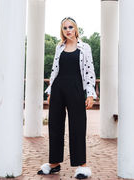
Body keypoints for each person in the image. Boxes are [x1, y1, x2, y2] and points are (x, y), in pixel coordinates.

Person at [37, 17, 97, 179]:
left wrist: (90, 93)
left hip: (76, 89)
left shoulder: (85, 48)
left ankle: (82, 165)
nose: (68, 30)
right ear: (62, 31)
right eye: (65, 28)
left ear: (76, 28)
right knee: (55, 126)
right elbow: (54, 71)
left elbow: (89, 72)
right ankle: (54, 163)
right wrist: (50, 91)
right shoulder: (59, 47)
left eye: (71, 27)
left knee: (77, 126)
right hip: (58, 89)